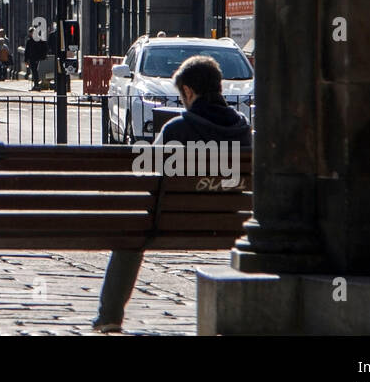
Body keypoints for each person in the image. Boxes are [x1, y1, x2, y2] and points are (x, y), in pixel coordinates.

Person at [93, 54, 251, 333]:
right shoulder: (242, 131)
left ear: (189, 91)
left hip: (170, 224)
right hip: (233, 225)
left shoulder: (177, 129)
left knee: (131, 235)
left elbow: (145, 177)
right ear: (219, 88)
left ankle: (109, 316)